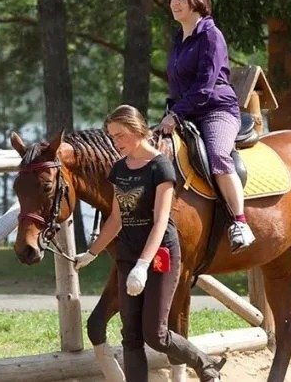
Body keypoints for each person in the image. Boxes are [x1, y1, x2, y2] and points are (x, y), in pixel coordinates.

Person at [75, 104, 225, 382]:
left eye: (119, 136)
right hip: (127, 255)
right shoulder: (119, 169)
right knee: (130, 336)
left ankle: (204, 364)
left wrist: (143, 265)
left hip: (159, 256)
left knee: (156, 335)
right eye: (111, 136)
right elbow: (117, 219)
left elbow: (161, 221)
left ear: (136, 130)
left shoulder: (160, 166)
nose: (115, 142)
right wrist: (92, 252)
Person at [156, 0, 255, 253]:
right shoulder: (179, 38)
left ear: (197, 2)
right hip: (185, 113)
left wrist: (175, 114)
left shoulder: (211, 35)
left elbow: (205, 85)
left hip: (216, 110)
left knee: (218, 156)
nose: (173, 3)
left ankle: (239, 222)